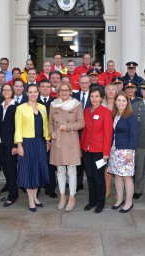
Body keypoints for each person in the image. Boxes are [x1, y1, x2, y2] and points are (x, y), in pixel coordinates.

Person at [15, 84, 51, 212]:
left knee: (38, 170)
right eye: (31, 92)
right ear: (27, 93)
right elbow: (17, 128)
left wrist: (47, 141)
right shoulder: (21, 108)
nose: (33, 94)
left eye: (35, 91)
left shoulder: (42, 107)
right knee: (29, 170)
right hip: (27, 143)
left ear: (39, 92)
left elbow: (46, 126)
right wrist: (19, 145)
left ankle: (35, 197)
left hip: (40, 142)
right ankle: (30, 199)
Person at [49, 83, 84, 211]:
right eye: (61, 90)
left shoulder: (77, 104)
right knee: (60, 171)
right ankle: (62, 196)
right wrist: (51, 132)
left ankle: (72, 197)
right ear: (58, 92)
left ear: (70, 91)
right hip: (58, 140)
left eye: (66, 90)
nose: (64, 92)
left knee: (72, 171)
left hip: (71, 140)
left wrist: (68, 127)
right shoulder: (53, 104)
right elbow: (50, 123)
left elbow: (81, 123)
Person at [80, 86, 113, 213]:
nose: (94, 99)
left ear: (101, 98)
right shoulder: (87, 111)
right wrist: (80, 148)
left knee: (98, 177)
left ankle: (100, 202)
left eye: (96, 96)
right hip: (86, 150)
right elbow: (84, 131)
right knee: (89, 176)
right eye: (92, 96)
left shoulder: (106, 112)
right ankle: (91, 201)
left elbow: (108, 134)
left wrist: (106, 153)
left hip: (99, 150)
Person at [108, 91, 137, 213]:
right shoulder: (115, 115)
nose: (121, 103)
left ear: (127, 102)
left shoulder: (131, 115)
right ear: (115, 102)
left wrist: (130, 152)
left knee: (127, 177)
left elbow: (134, 135)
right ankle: (119, 199)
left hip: (126, 151)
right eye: (119, 100)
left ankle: (129, 202)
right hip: (115, 150)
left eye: (124, 100)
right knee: (118, 176)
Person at [0, 84, 18, 207]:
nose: (6, 92)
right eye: (4, 90)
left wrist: (16, 145)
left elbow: (18, 127)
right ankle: (11, 192)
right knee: (5, 169)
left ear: (12, 91)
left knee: (11, 170)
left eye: (9, 90)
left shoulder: (16, 107)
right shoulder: (0, 106)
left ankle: (13, 195)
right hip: (1, 143)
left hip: (11, 144)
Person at [72, 74, 92, 191]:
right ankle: (78, 183)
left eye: (86, 83)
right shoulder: (74, 96)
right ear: (79, 84)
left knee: (88, 160)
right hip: (76, 132)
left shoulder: (95, 96)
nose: (84, 85)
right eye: (82, 83)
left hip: (90, 132)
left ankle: (90, 183)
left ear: (89, 83)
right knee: (77, 159)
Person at [38, 79, 57, 199]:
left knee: (51, 165)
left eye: (48, 87)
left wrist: (50, 139)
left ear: (51, 89)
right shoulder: (33, 101)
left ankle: (51, 189)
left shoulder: (55, 103)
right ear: (39, 88)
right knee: (38, 164)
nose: (45, 88)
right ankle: (37, 187)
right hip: (37, 138)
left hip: (52, 138)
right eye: (43, 86)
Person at [102, 83, 118, 199]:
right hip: (104, 139)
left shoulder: (120, 104)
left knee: (117, 166)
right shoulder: (101, 105)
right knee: (106, 166)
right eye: (109, 90)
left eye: (113, 90)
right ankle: (107, 191)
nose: (111, 92)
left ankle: (119, 192)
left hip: (118, 139)